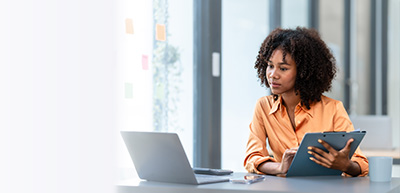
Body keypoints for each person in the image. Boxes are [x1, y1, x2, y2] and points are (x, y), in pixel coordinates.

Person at [244, 27, 369, 177]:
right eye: (270, 66)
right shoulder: (263, 107)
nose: (272, 75)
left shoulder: (333, 108)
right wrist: (280, 167)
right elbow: (252, 158)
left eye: (283, 68)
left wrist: (346, 165)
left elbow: (361, 164)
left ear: (303, 72)